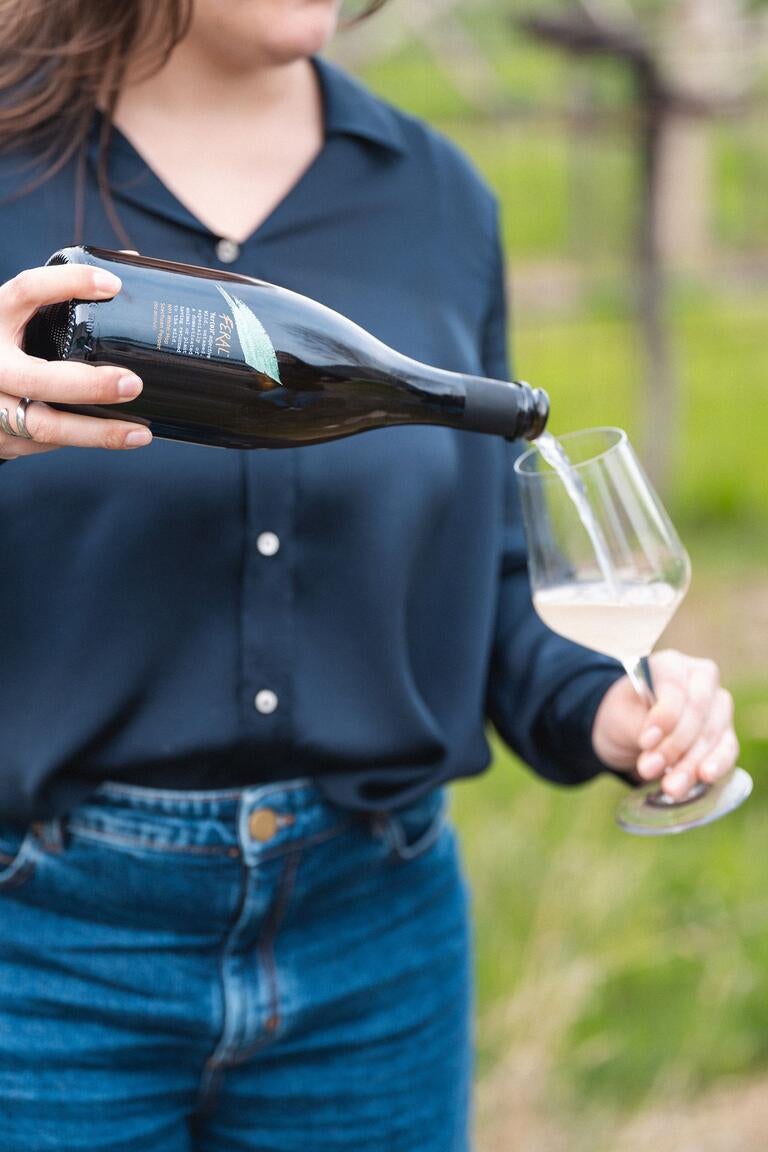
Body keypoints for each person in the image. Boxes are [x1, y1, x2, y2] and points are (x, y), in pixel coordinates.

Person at [0, 2, 739, 1149]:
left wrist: (608, 708)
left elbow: (487, 575)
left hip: (374, 940)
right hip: (39, 948)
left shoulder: (436, 195)